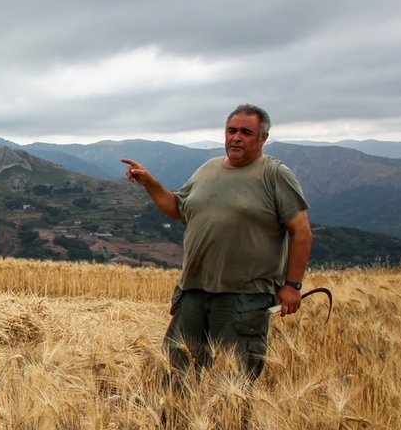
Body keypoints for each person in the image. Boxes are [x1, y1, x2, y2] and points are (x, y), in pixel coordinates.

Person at [122, 104, 312, 382]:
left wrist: (292, 286)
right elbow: (178, 209)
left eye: (246, 132)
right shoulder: (207, 169)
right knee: (175, 375)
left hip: (244, 297)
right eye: (231, 130)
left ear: (263, 138)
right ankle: (176, 426)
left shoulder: (274, 175)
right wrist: (150, 183)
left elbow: (302, 232)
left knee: (231, 383)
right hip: (193, 292)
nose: (236, 137)